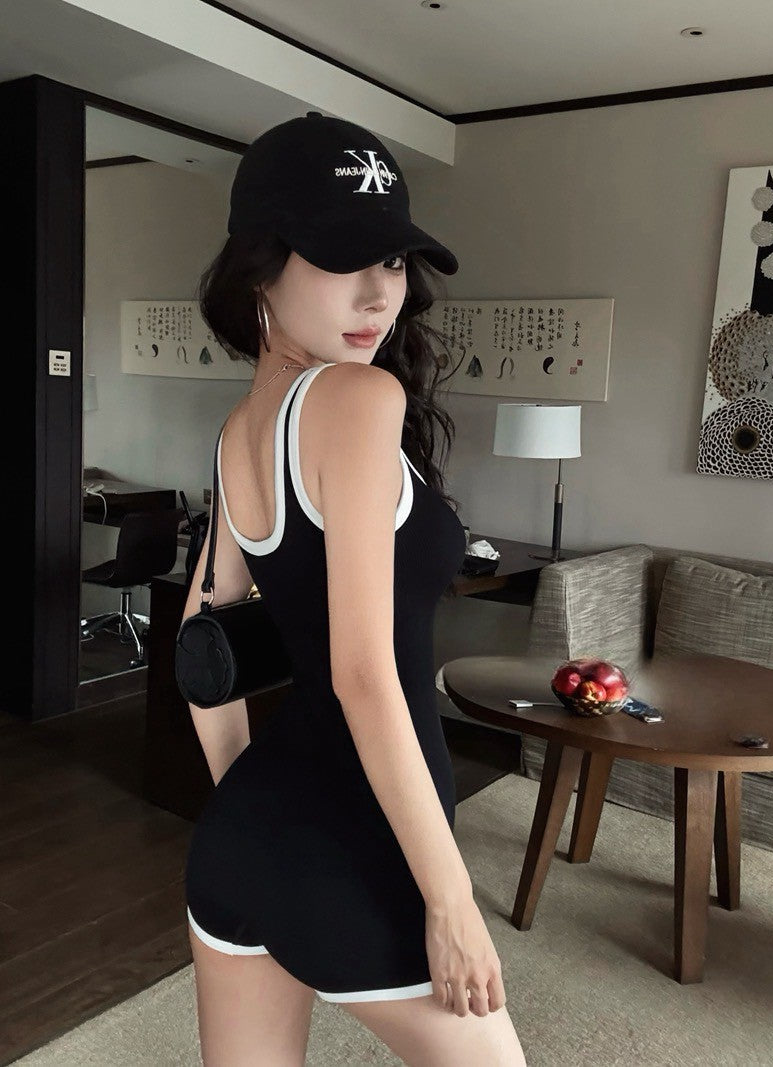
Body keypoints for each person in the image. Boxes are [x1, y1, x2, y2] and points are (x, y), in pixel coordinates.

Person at [182, 111, 527, 1066]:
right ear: (260, 268)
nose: (381, 293)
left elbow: (203, 650)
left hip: (245, 831)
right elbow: (366, 676)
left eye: (394, 260)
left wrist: (253, 814)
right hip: (356, 838)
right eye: (343, 258)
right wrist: (450, 900)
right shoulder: (358, 398)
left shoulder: (240, 429)